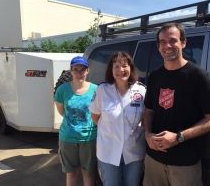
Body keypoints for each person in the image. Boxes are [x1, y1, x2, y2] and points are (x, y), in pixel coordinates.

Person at [143, 23, 210, 186]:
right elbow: (149, 110)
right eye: (162, 42)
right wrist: (147, 134)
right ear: (158, 46)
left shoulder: (199, 76)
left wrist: (178, 137)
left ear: (183, 43)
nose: (167, 46)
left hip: (185, 163)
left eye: (173, 40)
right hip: (153, 159)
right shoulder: (155, 76)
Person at [89, 51, 146, 186]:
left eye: (125, 66)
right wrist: (111, 130)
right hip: (108, 152)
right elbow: (95, 116)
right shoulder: (102, 90)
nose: (121, 70)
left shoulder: (141, 90)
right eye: (116, 66)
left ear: (131, 68)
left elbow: (145, 119)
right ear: (111, 70)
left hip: (134, 152)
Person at [54, 56, 97, 186]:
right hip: (68, 139)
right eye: (75, 69)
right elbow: (62, 112)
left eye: (82, 69)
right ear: (71, 71)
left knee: (88, 173)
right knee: (71, 174)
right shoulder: (62, 90)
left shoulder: (96, 90)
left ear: (87, 71)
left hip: (89, 138)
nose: (79, 73)